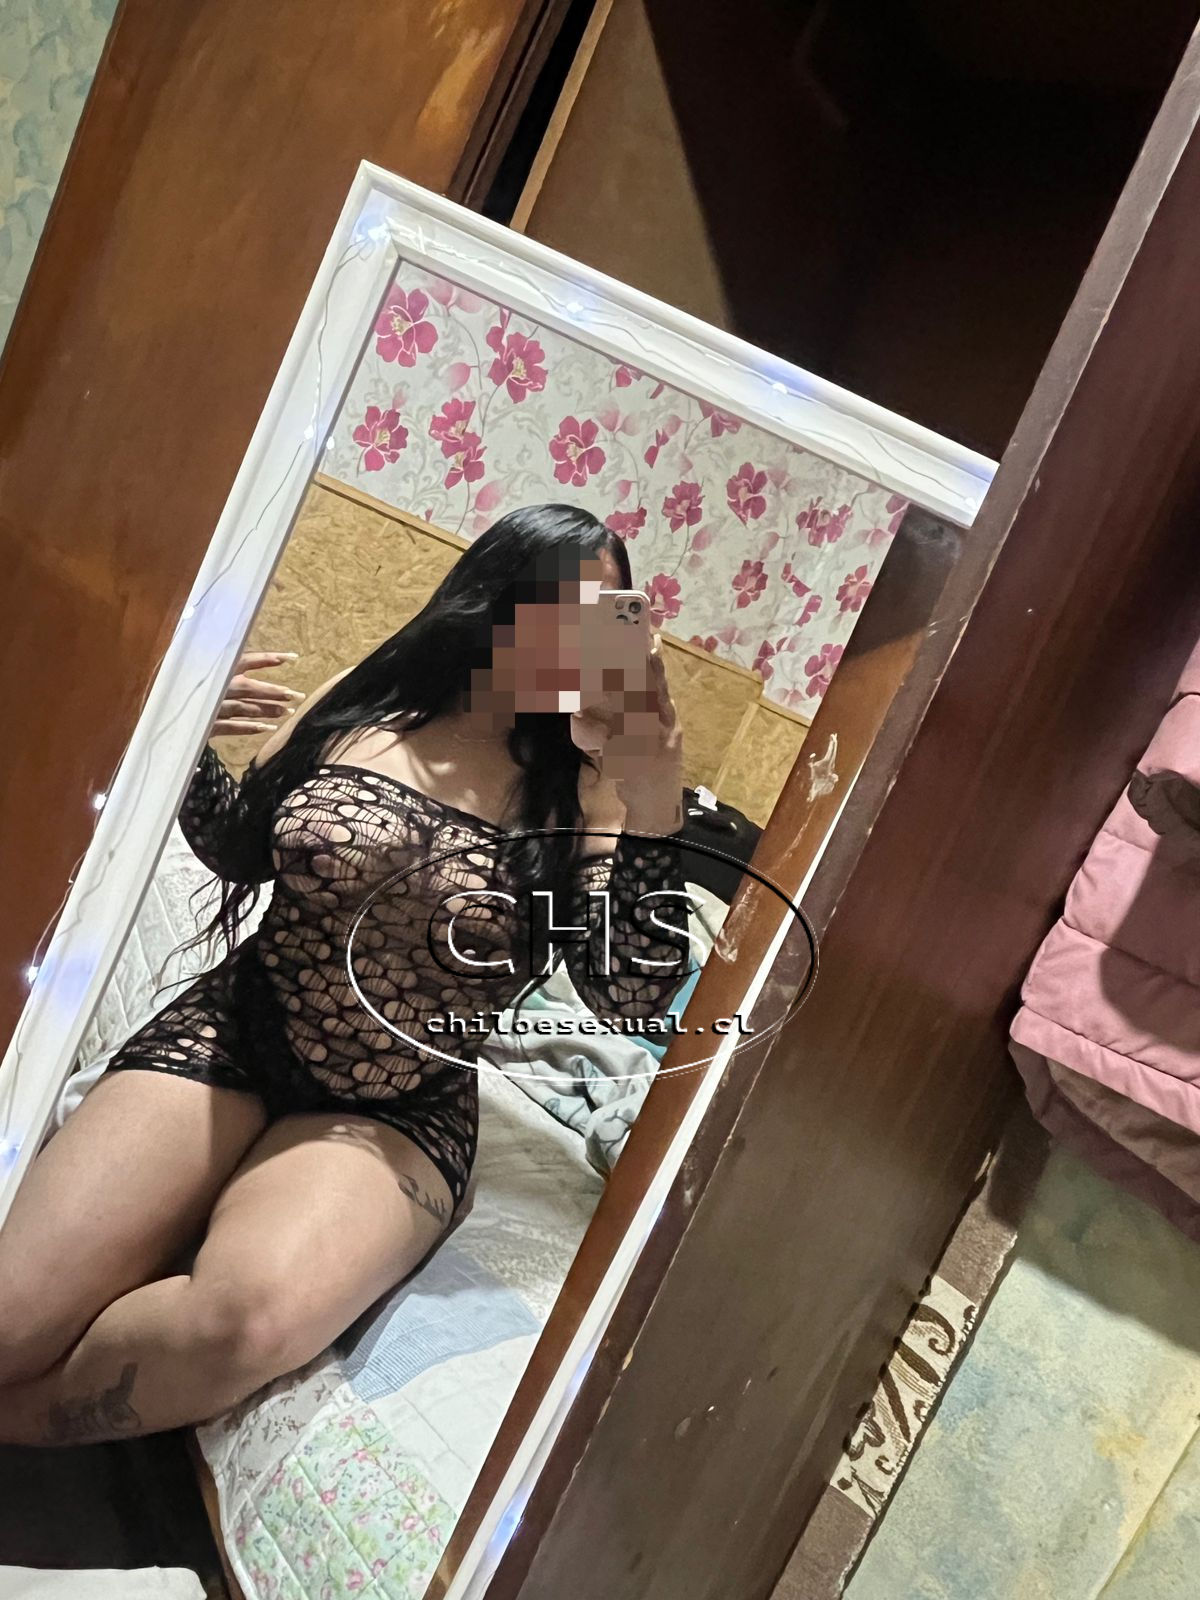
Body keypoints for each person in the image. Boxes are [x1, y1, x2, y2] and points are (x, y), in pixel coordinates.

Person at [0, 504, 689, 1445]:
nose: (583, 640)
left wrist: (653, 799)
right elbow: (239, 845)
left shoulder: (593, 787)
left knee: (242, 1324)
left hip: (402, 1101)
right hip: (239, 1031)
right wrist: (176, 726)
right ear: (497, 601)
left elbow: (631, 995)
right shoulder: (369, 704)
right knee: (11, 1315)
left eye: (609, 617)